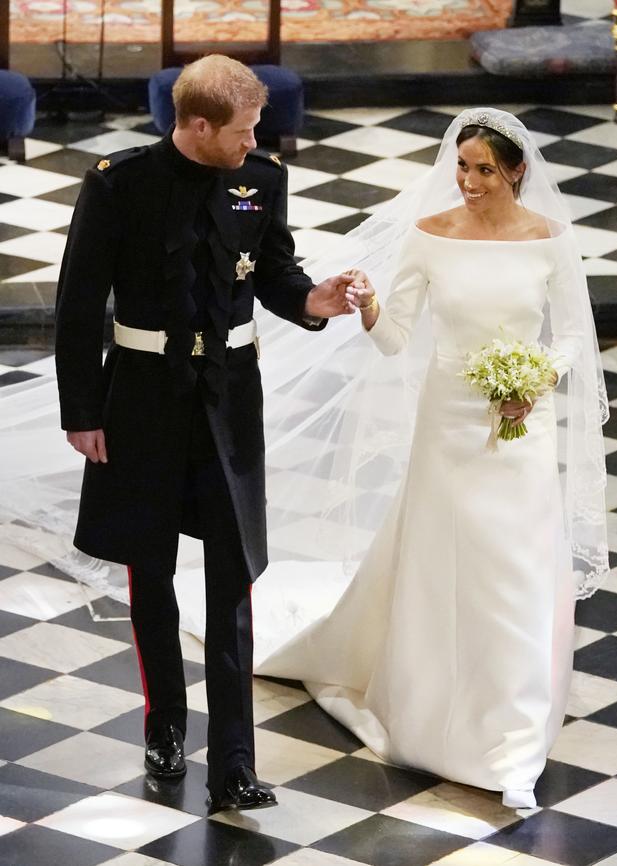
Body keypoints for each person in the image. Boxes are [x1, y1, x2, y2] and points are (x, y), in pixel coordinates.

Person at [245, 108, 610, 809]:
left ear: (516, 172)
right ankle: (435, 702)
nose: (467, 183)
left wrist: (535, 379)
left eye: (482, 170)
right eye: (462, 168)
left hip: (520, 424)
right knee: (448, 559)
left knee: (516, 565)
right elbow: (394, 339)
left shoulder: (551, 241)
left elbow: (571, 337)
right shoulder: (430, 236)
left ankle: (513, 729)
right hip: (448, 420)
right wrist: (373, 305)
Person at [54, 54, 354, 812]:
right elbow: (80, 301)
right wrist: (82, 411)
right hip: (141, 400)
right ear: (195, 125)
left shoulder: (262, 180)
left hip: (229, 401)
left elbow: (276, 273)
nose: (255, 143)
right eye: (244, 131)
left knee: (234, 576)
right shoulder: (118, 183)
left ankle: (237, 763)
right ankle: (163, 728)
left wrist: (313, 300)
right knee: (149, 567)